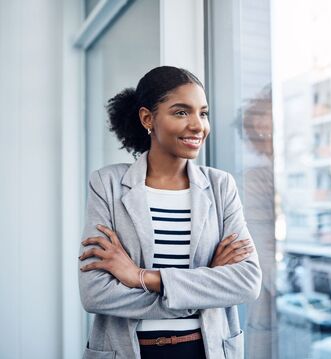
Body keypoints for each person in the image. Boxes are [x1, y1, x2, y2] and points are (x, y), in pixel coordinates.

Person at [78, 66, 262, 359]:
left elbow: (247, 282)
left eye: (203, 113)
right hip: (130, 350)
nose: (197, 125)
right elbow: (96, 293)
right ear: (147, 118)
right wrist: (205, 285)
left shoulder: (220, 186)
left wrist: (142, 277)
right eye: (181, 112)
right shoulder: (107, 184)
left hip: (205, 349)